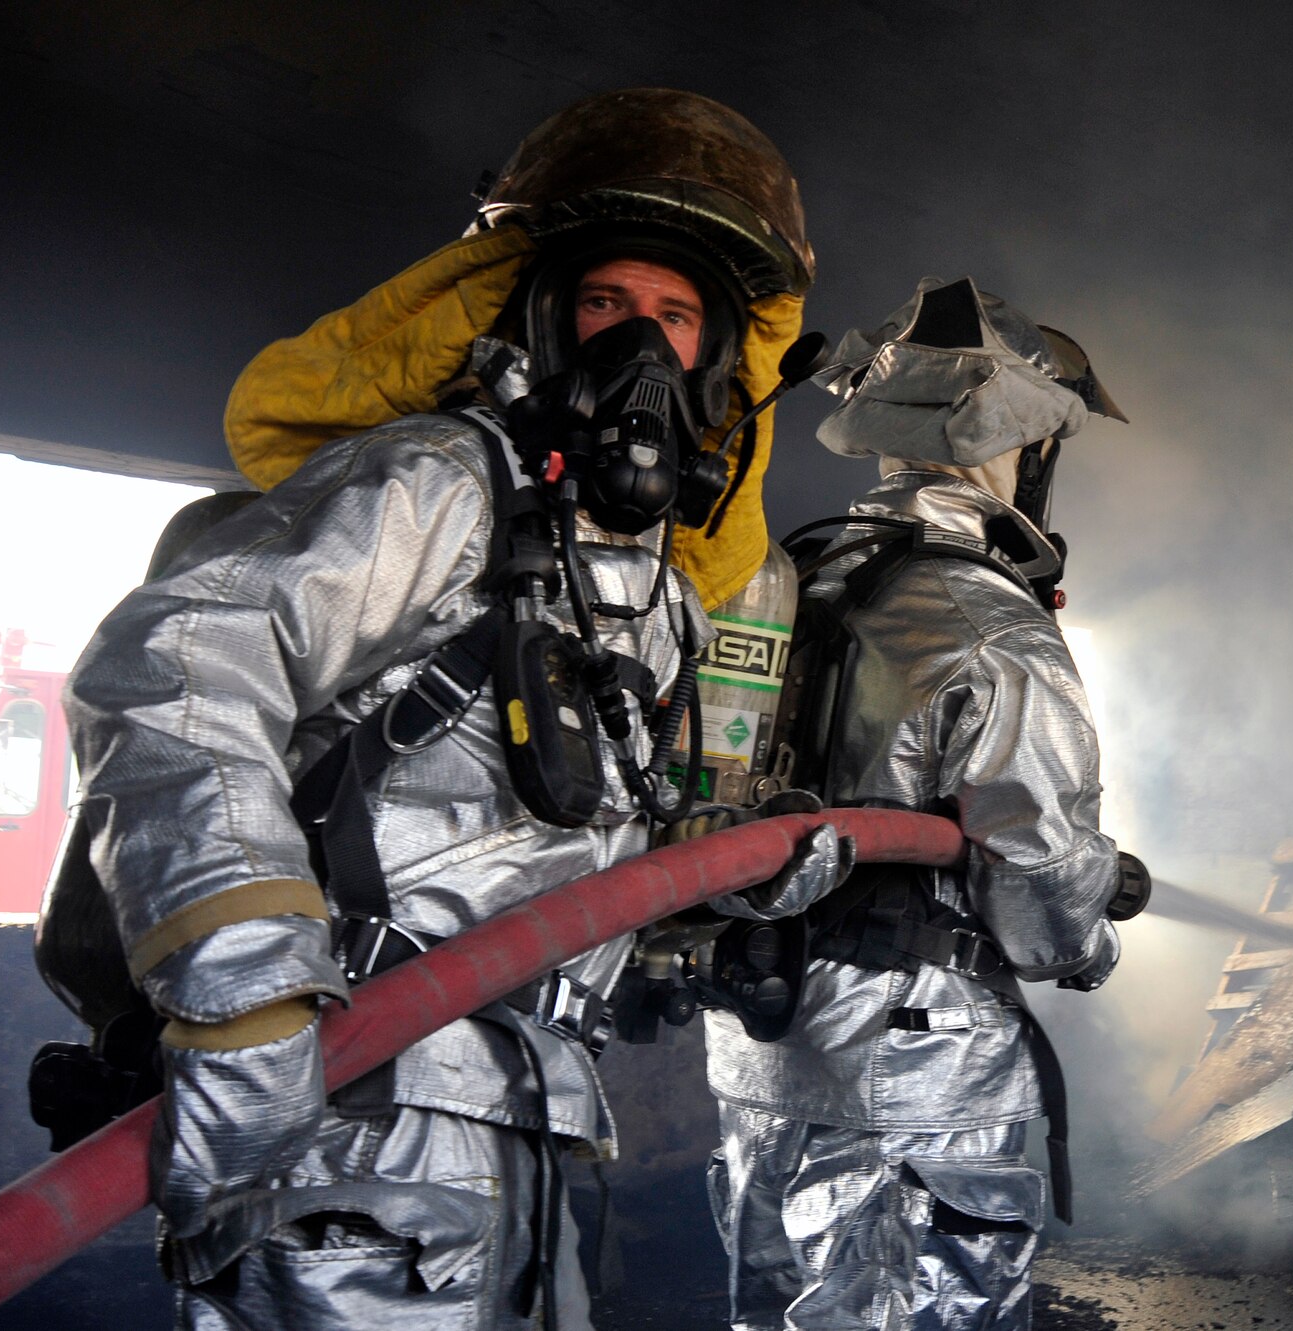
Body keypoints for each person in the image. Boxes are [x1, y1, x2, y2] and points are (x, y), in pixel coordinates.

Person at [61, 88, 825, 1330]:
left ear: (719, 357)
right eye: (605, 305)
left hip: (535, 1116)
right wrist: (245, 993)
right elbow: (176, 661)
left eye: (675, 317)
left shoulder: (662, 593)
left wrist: (764, 872)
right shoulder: (436, 482)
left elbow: (594, 850)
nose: (640, 347)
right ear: (537, 319)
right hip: (348, 1118)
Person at [700, 276, 1133, 1330]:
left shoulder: (790, 573)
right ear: (1025, 449)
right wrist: (1087, 937)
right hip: (912, 1067)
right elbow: (1035, 876)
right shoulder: (993, 626)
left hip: (759, 1047)